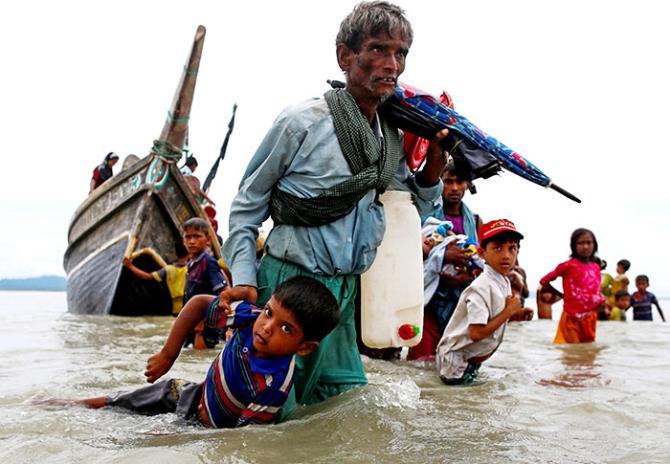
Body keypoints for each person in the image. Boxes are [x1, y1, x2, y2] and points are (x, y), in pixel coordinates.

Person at [220, 1, 448, 415]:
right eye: (378, 49)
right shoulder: (302, 122)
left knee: (344, 408)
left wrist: (434, 161)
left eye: (400, 54)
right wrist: (243, 277)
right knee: (270, 412)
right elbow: (247, 204)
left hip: (345, 292)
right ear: (346, 55)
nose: (391, 64)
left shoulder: (389, 138)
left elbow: (407, 204)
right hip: (290, 287)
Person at [51, 276, 340, 428]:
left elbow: (247, 435)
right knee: (123, 402)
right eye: (269, 313)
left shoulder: (274, 387)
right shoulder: (249, 318)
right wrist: (168, 354)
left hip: (206, 426)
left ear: (304, 347)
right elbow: (200, 304)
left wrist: (198, 429)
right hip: (193, 394)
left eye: (286, 329)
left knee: (148, 441)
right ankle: (73, 403)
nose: (266, 327)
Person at [435, 219, 533, 384]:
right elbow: (476, 333)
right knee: (455, 401)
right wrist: (509, 311)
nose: (506, 255)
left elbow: (495, 315)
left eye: (512, 248)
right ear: (481, 253)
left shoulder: (503, 281)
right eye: (497, 248)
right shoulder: (480, 288)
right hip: (455, 359)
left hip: (471, 358)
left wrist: (516, 314)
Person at [408, 161, 483, 361]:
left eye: (460, 182)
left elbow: (482, 261)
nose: (455, 188)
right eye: (448, 182)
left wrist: (466, 278)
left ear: (467, 184)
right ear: (440, 183)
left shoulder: (475, 221)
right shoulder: (423, 216)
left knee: (453, 363)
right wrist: (443, 256)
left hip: (459, 304)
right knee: (420, 363)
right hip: (428, 302)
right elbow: (407, 251)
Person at [539, 228, 606, 344]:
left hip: (590, 317)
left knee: (588, 352)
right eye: (581, 243)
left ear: (595, 245)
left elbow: (596, 289)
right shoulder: (567, 266)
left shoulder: (596, 267)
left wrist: (601, 302)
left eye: (589, 243)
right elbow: (544, 281)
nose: (585, 246)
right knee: (572, 353)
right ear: (573, 245)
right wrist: (561, 295)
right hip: (571, 316)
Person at [182, 217, 228, 348]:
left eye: (197, 236)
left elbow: (224, 293)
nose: (191, 241)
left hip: (204, 326)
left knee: (200, 355)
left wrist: (204, 320)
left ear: (208, 240)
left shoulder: (208, 262)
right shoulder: (192, 264)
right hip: (192, 323)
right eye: (188, 237)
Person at [123, 242, 190, 316]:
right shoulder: (192, 267)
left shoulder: (168, 269)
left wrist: (130, 266)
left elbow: (147, 276)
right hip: (190, 306)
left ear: (176, 254)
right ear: (188, 254)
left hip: (176, 309)